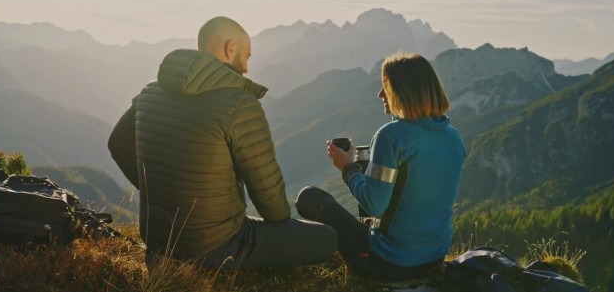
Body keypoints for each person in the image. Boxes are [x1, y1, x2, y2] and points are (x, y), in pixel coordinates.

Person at [108, 16, 337, 270]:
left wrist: (160, 193)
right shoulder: (240, 104)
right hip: (216, 247)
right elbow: (272, 205)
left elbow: (117, 145)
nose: (247, 68)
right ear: (230, 48)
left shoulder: (148, 94)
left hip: (157, 237)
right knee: (327, 238)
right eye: (247, 56)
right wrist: (281, 223)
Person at [295, 52, 466, 282]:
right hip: (433, 260)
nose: (379, 94)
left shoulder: (391, 136)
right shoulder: (452, 137)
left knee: (309, 197)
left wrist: (347, 168)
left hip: (388, 264)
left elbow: (375, 205)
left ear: (403, 91)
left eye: (386, 86)